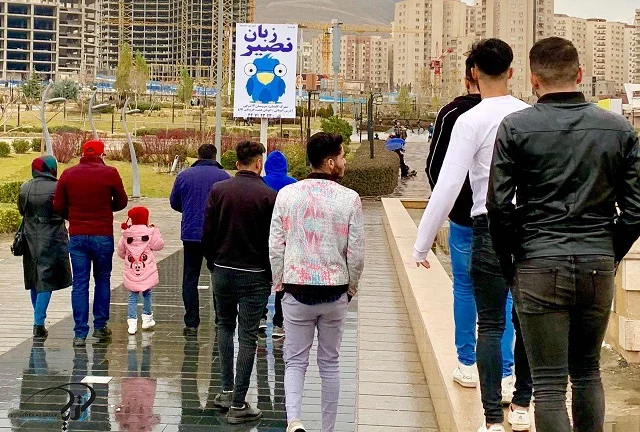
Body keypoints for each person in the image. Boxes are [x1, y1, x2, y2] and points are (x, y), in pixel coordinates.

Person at [487, 37, 640, 432]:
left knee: (550, 386)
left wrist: (511, 262)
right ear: (580, 74)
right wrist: (609, 251)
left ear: (533, 79)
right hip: (596, 261)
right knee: (588, 371)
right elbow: (635, 210)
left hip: (538, 260)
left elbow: (499, 207)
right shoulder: (618, 128)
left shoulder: (516, 127)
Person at [413, 39, 532, 432]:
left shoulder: (469, 119)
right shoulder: (530, 115)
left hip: (487, 227)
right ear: (511, 72)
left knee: (490, 322)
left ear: (474, 73)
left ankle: (492, 419)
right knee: (523, 317)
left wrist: (422, 242)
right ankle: (521, 403)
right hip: (530, 230)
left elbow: (447, 184)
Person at [426, 55, 516, 394]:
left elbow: (435, 168)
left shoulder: (452, 114)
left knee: (464, 288)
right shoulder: (520, 112)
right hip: (508, 219)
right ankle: (506, 372)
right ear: (509, 73)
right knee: (505, 295)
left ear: (470, 77)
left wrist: (447, 207)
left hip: (465, 217)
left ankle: (466, 364)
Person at [269, 132, 365, 432]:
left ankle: (294, 421)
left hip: (296, 289)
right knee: (330, 363)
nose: (344, 161)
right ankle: (328, 428)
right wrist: (351, 287)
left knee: (295, 362)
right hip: (335, 291)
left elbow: (276, 244)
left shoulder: (287, 195)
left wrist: (279, 282)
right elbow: (356, 252)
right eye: (342, 156)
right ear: (330, 162)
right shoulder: (350, 199)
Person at [202, 140, 276, 424]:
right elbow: (273, 241)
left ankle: (226, 390)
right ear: (259, 163)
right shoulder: (268, 196)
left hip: (222, 270)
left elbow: (208, 233)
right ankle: (238, 403)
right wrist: (271, 273)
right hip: (254, 274)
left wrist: (213, 262)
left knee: (224, 326)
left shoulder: (219, 190)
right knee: (247, 336)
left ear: (236, 163)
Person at [54, 140, 128, 347]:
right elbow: (122, 201)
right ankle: (100, 326)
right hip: (102, 234)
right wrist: (106, 208)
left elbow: (58, 205)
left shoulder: (68, 174)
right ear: (101, 154)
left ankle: (79, 332)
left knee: (80, 283)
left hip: (78, 235)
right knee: (102, 279)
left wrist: (73, 216)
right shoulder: (110, 173)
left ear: (83, 153)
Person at [170, 144, 230, 337]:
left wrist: (189, 210)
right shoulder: (224, 177)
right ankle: (220, 318)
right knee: (218, 275)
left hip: (191, 233)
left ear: (198, 155)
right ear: (214, 156)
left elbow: (174, 202)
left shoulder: (184, 176)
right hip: (216, 235)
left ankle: (191, 322)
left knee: (190, 277)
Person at [19, 155, 72, 339]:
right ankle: (38, 322)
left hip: (30, 238)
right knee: (46, 279)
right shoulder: (58, 187)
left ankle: (38, 319)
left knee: (35, 278)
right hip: (52, 237)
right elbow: (66, 211)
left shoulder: (25, 187)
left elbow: (22, 210)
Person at [260, 150, 298, 338]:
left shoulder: (260, 183)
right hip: (286, 240)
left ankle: (260, 317)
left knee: (262, 280)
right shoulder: (294, 184)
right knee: (281, 282)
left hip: (261, 239)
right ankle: (278, 323)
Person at [117, 206, 165, 335]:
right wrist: (156, 231)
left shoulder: (126, 234)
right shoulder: (150, 233)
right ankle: (147, 318)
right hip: (146, 270)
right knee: (147, 293)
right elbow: (159, 245)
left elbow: (120, 251)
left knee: (132, 295)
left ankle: (132, 322)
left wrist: (128, 257)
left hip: (132, 269)